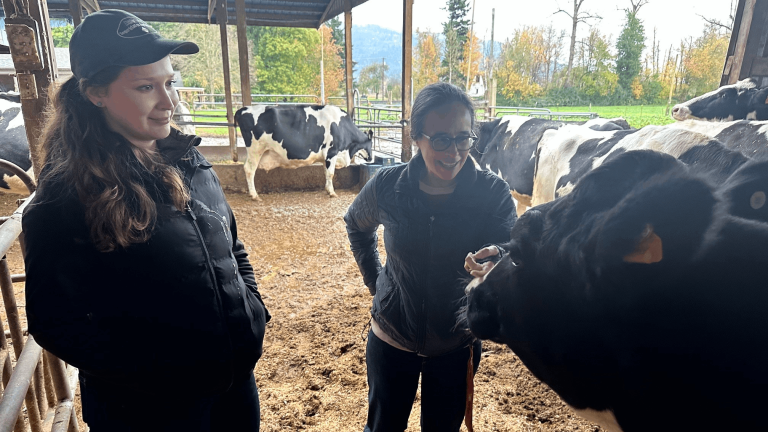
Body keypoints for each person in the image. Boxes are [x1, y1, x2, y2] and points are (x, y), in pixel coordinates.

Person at [22, 10, 269, 431]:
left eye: (170, 82)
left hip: (234, 390)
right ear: (95, 92)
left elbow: (231, 244)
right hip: (149, 411)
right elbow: (54, 321)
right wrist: (155, 375)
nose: (169, 102)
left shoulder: (189, 158)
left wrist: (253, 310)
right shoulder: (67, 195)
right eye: (145, 87)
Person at [344, 82, 517, 432]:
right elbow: (356, 225)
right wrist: (377, 282)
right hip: (392, 335)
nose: (453, 151)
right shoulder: (387, 186)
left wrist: (497, 257)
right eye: (440, 139)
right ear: (415, 136)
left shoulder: (492, 192)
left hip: (457, 342)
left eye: (463, 138)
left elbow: (511, 246)